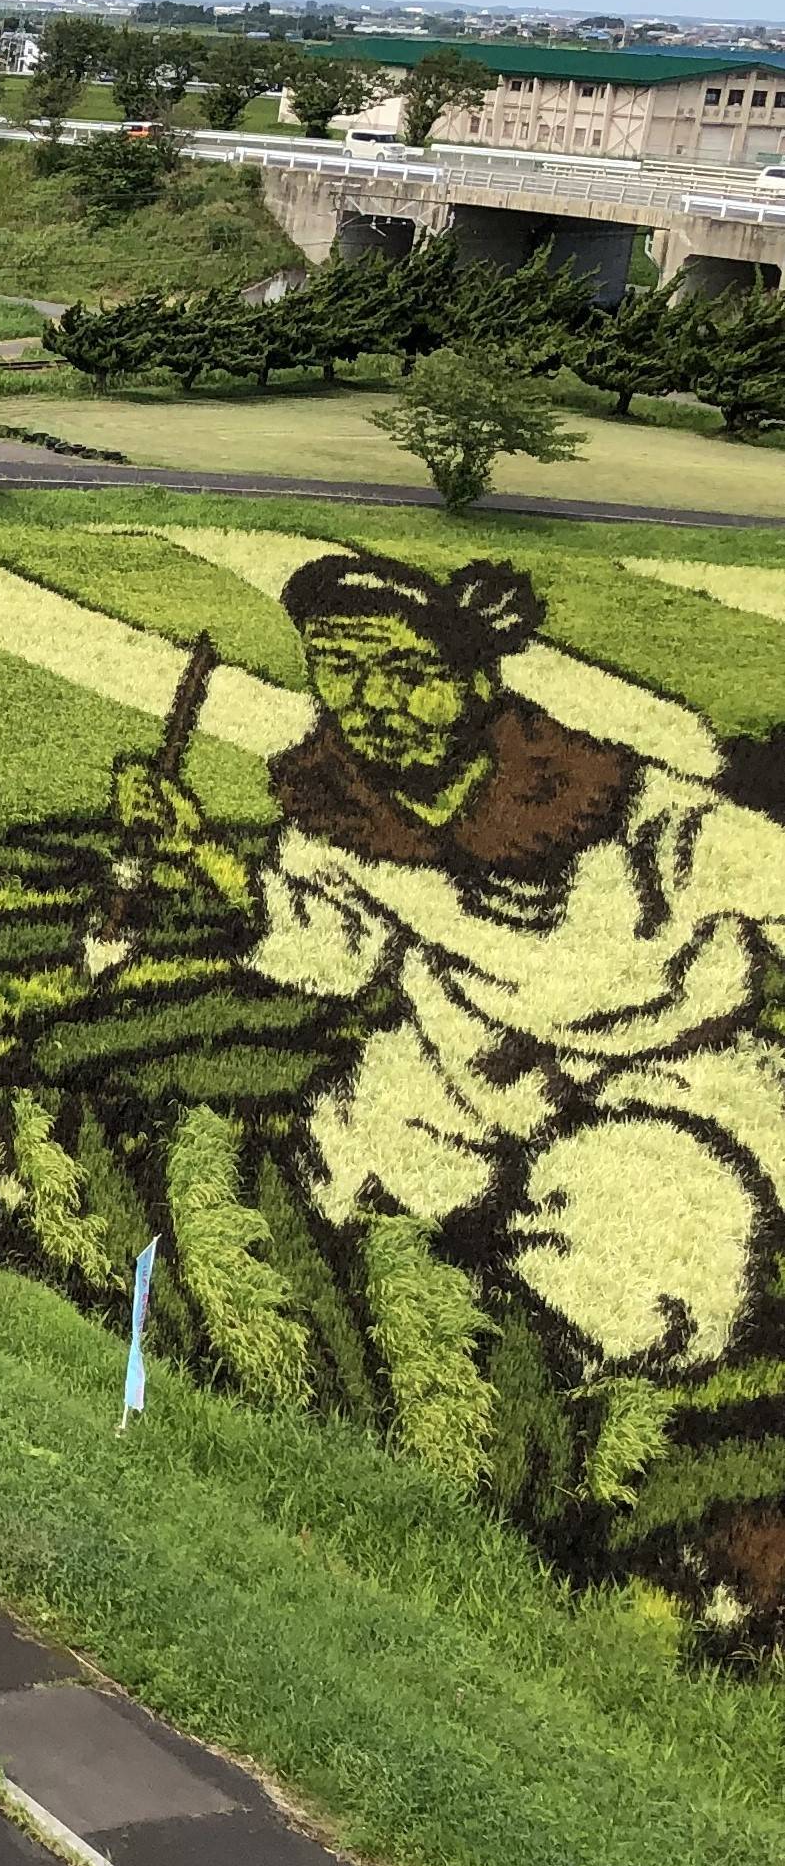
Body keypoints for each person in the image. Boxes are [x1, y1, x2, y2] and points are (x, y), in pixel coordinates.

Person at [112, 553, 785, 1377]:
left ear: (474, 684)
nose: (371, 704)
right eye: (340, 672)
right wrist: (196, 848)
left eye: (404, 671)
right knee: (336, 1199)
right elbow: (326, 955)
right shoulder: (339, 816)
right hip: (464, 1063)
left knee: (643, 1265)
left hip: (669, 1068)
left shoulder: (615, 801)